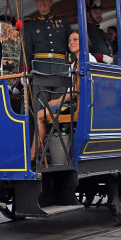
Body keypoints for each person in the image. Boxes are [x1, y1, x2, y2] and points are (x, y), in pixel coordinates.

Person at [33, 31, 95, 159]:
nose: (71, 42)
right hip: (75, 102)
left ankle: (33, 155)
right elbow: (72, 90)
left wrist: (58, 101)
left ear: (84, 41)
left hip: (83, 105)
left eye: (75, 39)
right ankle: (41, 151)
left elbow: (79, 90)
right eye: (69, 40)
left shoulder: (88, 60)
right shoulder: (74, 64)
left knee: (41, 114)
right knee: (45, 110)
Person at [86, 0, 114, 64]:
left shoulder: (101, 32)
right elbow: (83, 54)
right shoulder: (85, 32)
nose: (99, 15)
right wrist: (101, 57)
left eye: (100, 12)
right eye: (95, 12)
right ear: (87, 13)